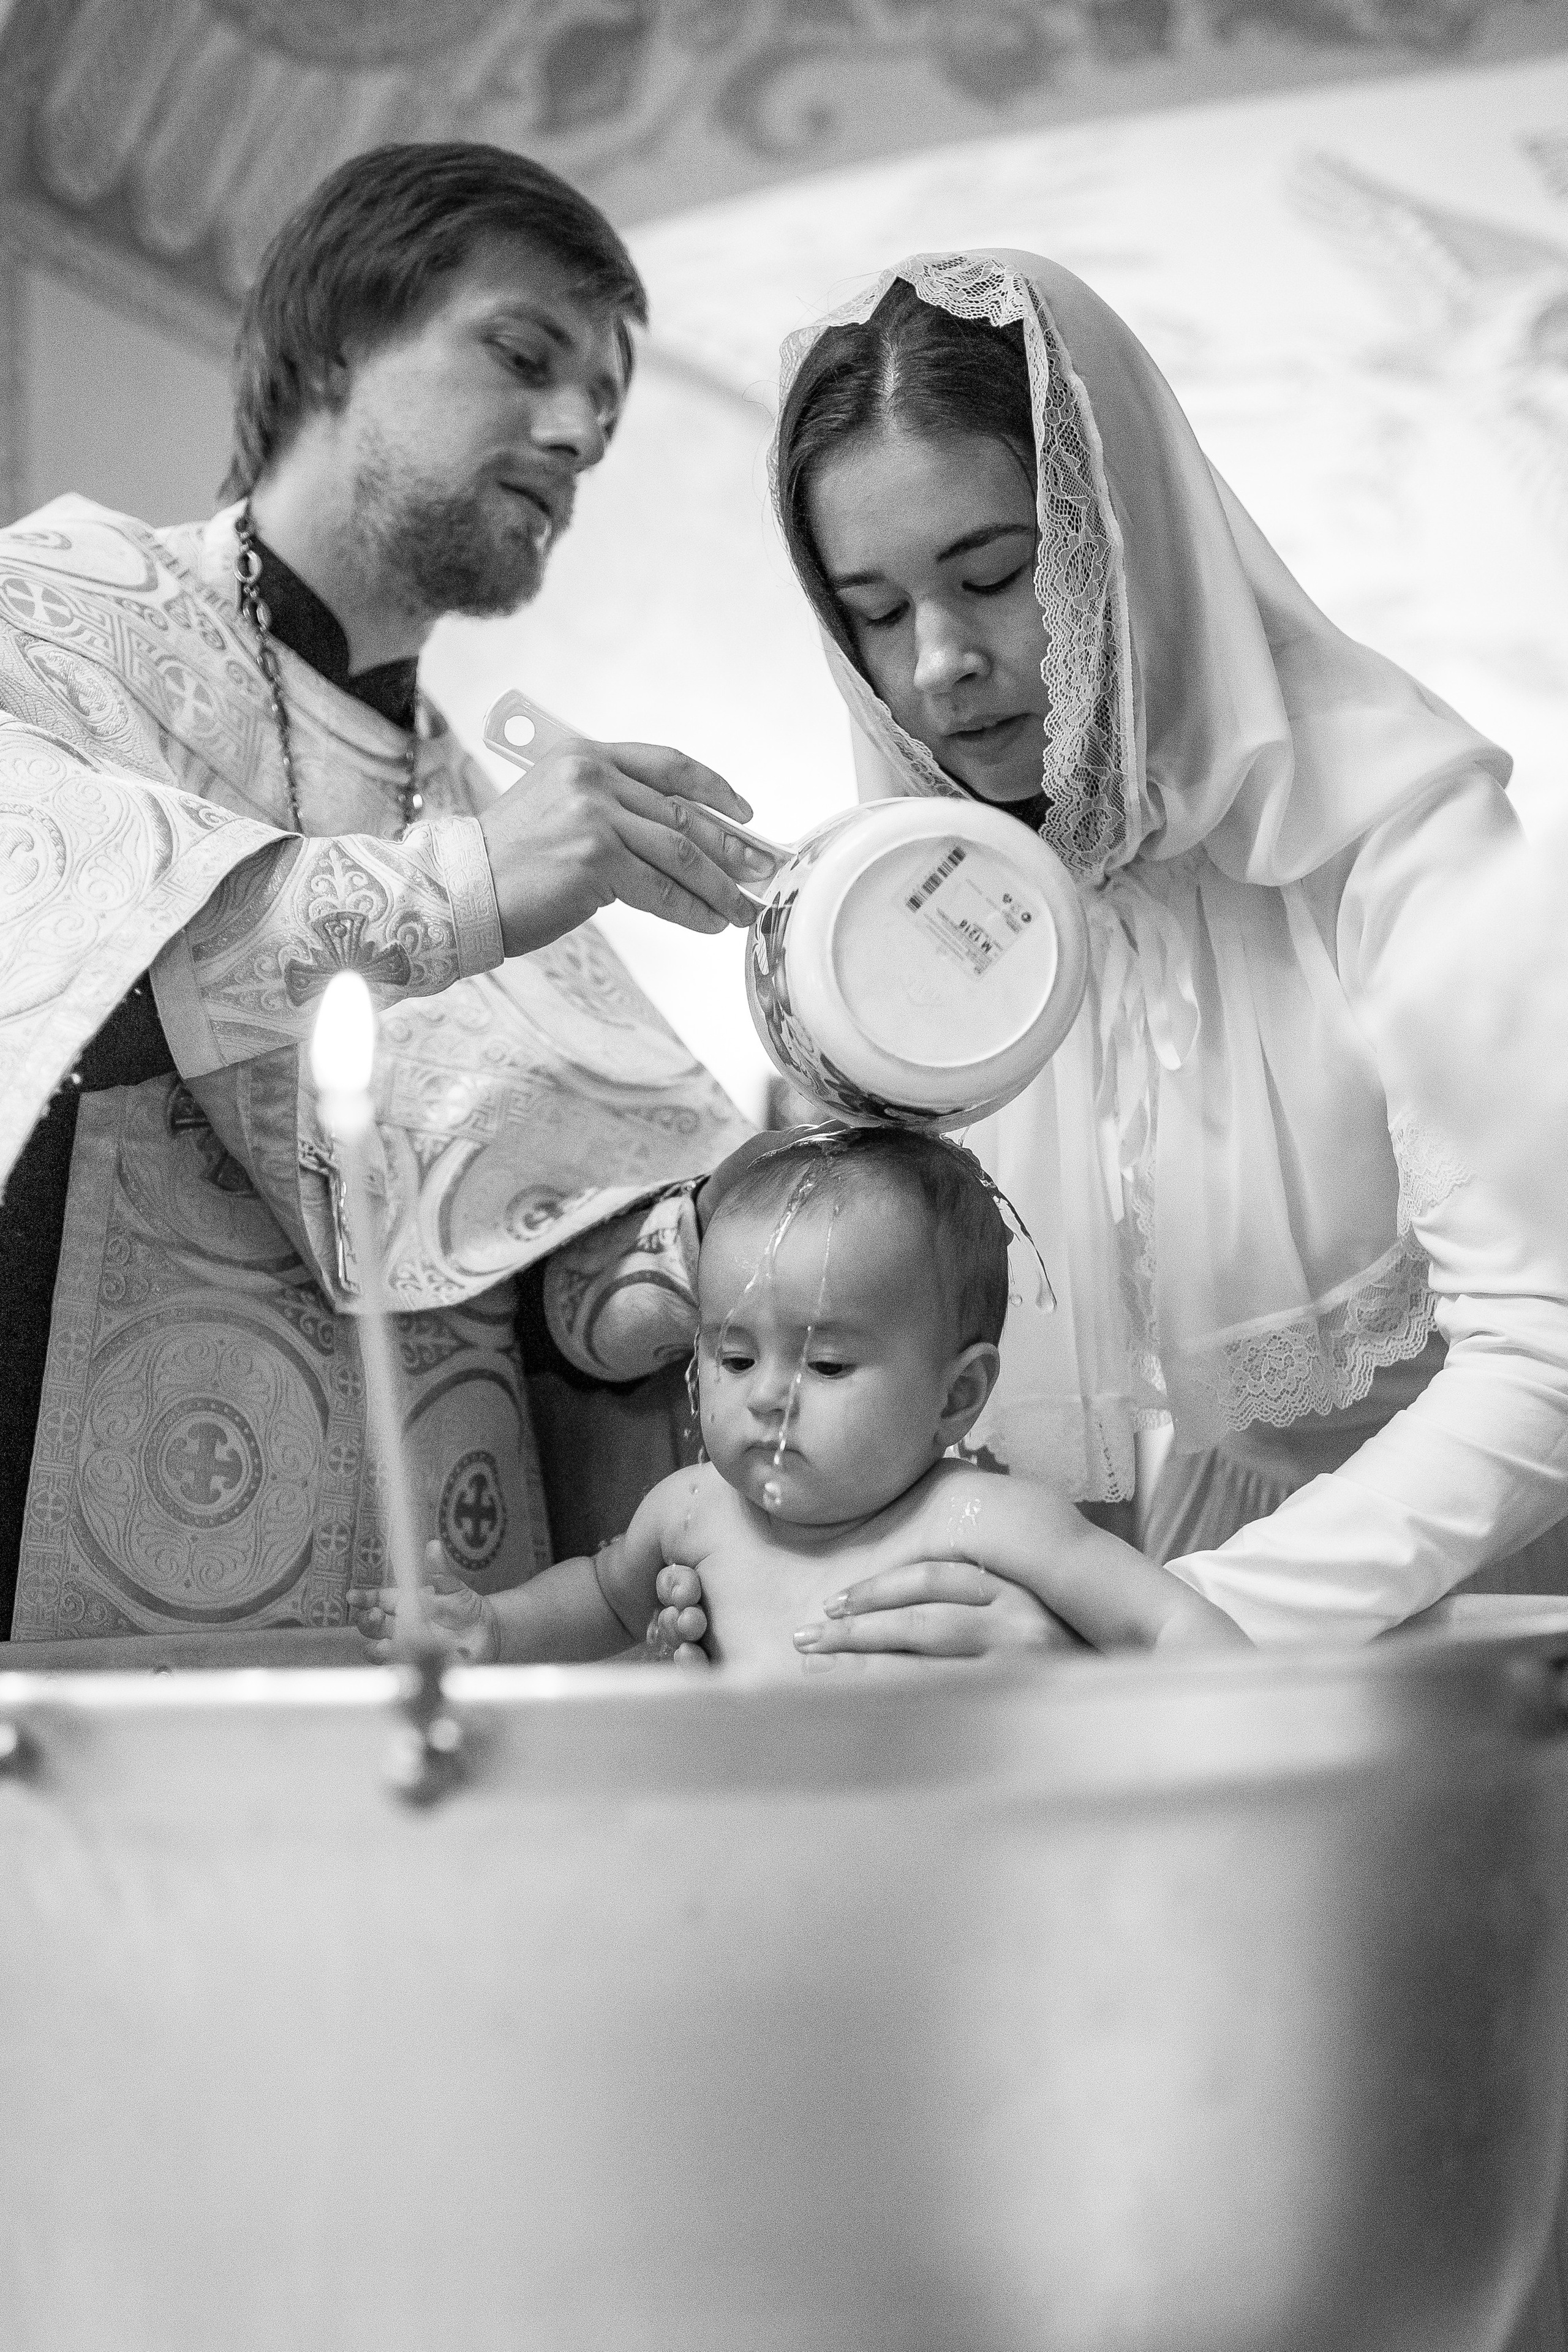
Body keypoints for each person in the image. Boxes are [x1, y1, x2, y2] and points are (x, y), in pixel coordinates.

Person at [733, 249, 1568, 1651]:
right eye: (875, 615)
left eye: (991, 577)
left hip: (1453, 1577)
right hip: (1151, 1576)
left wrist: (1160, 1628)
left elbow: (1547, 1345)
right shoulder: (931, 909)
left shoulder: (1398, 834)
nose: (937, 664)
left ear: (1121, 541)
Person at [0, 142, 774, 1646]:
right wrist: (465, 892)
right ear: (335, 340)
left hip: (412, 1626)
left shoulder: (469, 795)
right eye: (522, 355)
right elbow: (46, 974)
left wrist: (689, 1253)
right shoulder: (55, 612)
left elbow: (553, 1254)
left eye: (601, 418)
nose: (572, 435)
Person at [351, 1128, 1242, 1668]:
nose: (769, 1396)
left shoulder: (984, 1519)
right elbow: (603, 1597)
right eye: (734, 1357)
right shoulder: (695, 1509)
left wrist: (1238, 1718)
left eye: (826, 1368)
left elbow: (1165, 1623)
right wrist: (496, 1627)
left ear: (957, 1396)